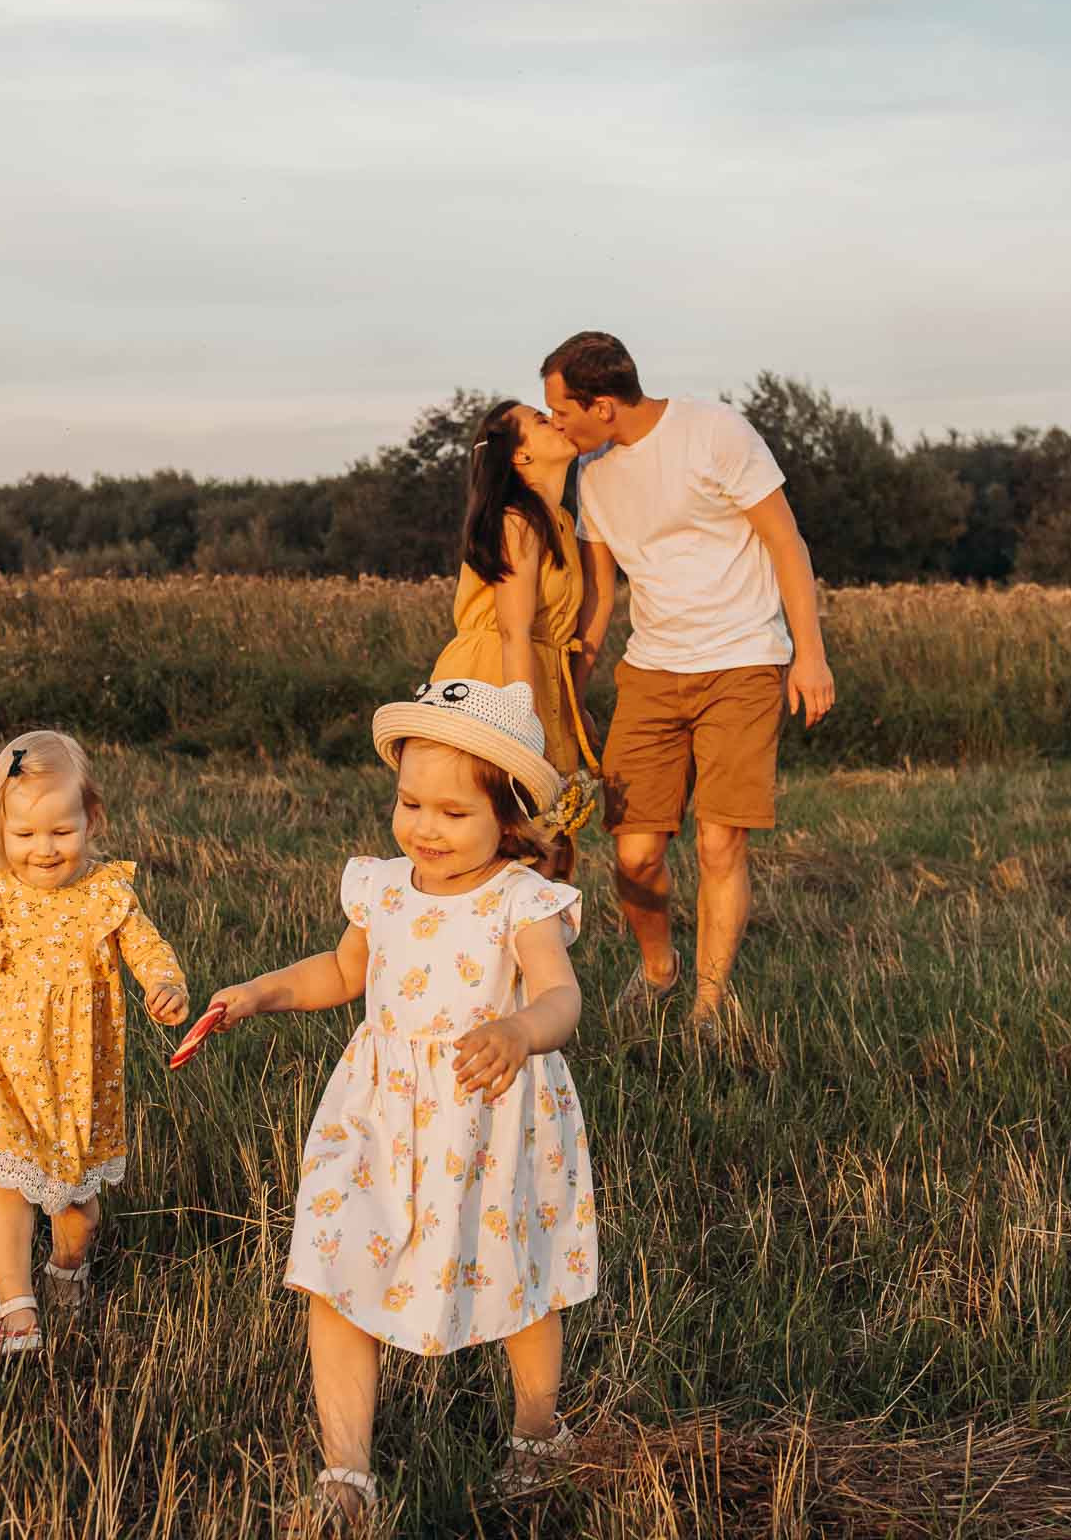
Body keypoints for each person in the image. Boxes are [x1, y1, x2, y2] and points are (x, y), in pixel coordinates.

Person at [196, 679, 597, 1533]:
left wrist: (520, 1031)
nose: (424, 827)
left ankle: (536, 1432)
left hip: (488, 1121)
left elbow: (562, 998)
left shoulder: (521, 901)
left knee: (517, 1278)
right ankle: (346, 1469)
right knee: (336, 1262)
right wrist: (261, 993)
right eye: (410, 802)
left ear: (511, 817)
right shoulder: (381, 887)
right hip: (377, 1113)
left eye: (452, 813)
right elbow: (341, 974)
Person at [541, 330, 837, 1030]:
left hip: (742, 660)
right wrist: (570, 691)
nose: (556, 423)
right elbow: (598, 595)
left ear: (604, 405)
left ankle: (707, 1006)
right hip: (651, 671)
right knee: (635, 854)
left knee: (717, 843)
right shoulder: (596, 474)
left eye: (562, 411)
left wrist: (810, 654)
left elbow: (785, 542)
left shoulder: (717, 432)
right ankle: (658, 969)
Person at [0, 730, 191, 1357]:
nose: (44, 850)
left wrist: (166, 984)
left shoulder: (105, 895)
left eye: (62, 831)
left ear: (91, 817)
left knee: (76, 1210)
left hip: (79, 1077)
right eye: (24, 835)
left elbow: (148, 949)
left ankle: (66, 1268)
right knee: (4, 1181)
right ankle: (17, 1313)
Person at [430, 398, 599, 878]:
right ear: (520, 456)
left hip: (542, 673)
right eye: (542, 421)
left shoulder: (561, 522)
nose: (558, 423)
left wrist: (574, 705)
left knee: (550, 843)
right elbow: (513, 630)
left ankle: (526, 952)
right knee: (508, 835)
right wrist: (519, 724)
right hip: (498, 675)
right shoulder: (516, 520)